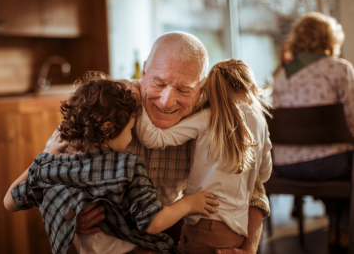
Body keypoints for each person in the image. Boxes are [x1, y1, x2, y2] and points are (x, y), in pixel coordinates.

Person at [46, 32, 271, 254]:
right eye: (159, 83)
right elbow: (46, 175)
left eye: (184, 89)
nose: (166, 101)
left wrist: (248, 248)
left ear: (201, 90)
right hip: (108, 239)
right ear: (144, 72)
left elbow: (253, 188)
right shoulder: (106, 103)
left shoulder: (211, 115)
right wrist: (70, 216)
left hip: (170, 229)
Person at [4, 72, 219, 254]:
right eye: (129, 129)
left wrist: (44, 158)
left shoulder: (53, 163)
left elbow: (9, 202)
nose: (131, 136)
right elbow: (152, 222)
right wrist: (190, 203)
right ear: (107, 129)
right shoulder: (126, 167)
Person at [134, 59, 272, 253]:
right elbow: (264, 175)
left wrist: (137, 99)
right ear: (250, 86)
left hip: (204, 222)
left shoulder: (207, 117)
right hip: (238, 228)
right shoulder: (260, 122)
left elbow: (152, 138)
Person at [272, 12, 354, 251]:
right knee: (346, 159)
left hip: (285, 165)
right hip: (328, 164)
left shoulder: (282, 75)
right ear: (331, 39)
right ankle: (345, 227)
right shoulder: (340, 68)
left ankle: (336, 225)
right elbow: (352, 121)